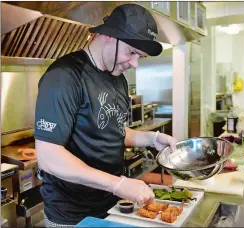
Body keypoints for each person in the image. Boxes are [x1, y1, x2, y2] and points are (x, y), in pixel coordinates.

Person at [34, 3, 177, 226]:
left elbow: (113, 130)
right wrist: (117, 184)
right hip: (72, 216)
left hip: (111, 206)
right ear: (109, 36)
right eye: (131, 52)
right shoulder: (64, 76)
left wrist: (152, 138)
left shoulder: (117, 78)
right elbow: (48, 157)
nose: (135, 64)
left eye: (140, 56)